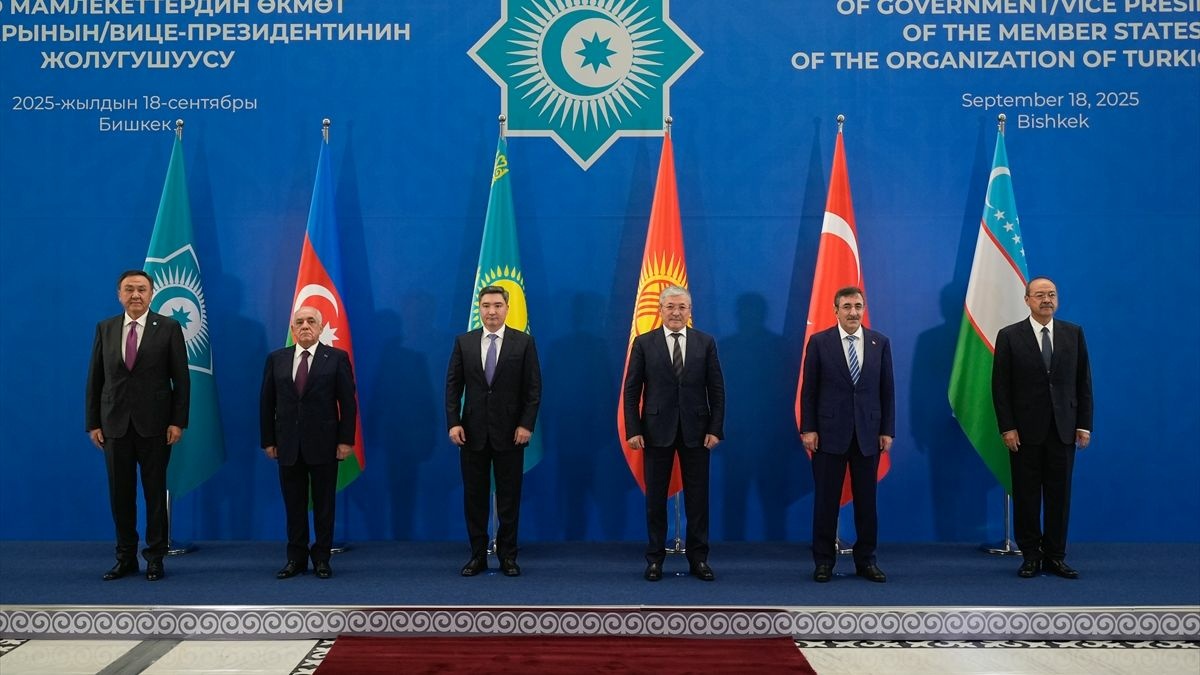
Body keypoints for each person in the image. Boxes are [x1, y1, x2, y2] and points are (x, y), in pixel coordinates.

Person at [86, 270, 190, 582]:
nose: (135, 295)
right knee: (120, 495)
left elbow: (181, 380)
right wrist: (93, 423)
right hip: (114, 425)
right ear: (119, 294)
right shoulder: (105, 328)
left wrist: (177, 421)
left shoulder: (169, 327)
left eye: (142, 289)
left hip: (156, 426)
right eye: (129, 289)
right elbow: (95, 379)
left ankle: (155, 558)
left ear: (151, 294)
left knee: (155, 495)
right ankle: (126, 558)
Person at [992, 276, 1093, 579]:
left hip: (1064, 430)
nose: (1046, 299)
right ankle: (1031, 556)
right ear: (1027, 300)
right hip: (1024, 432)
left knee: (1059, 497)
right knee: (1026, 496)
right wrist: (1007, 427)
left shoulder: (1073, 333)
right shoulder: (1009, 336)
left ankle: (1055, 556)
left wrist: (1084, 425)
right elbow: (1000, 387)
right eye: (1039, 295)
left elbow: (1083, 383)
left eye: (1051, 294)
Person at [623, 285, 725, 582]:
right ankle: (655, 559)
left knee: (698, 499)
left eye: (682, 307)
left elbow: (717, 390)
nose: (676, 312)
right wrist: (633, 429)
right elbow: (631, 392)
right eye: (670, 307)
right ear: (660, 310)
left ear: (690, 311)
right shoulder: (644, 343)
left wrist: (715, 429)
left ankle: (699, 559)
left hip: (698, 431)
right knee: (656, 499)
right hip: (655, 432)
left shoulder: (705, 342)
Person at [445, 285, 542, 577]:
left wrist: (526, 424)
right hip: (471, 433)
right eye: (486, 305)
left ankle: (508, 556)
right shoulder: (464, 342)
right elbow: (453, 387)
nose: (491, 311)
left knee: (509, 497)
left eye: (497, 305)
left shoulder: (523, 343)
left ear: (507, 308)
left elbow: (533, 389)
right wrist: (453, 422)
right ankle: (477, 556)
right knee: (474, 498)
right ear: (479, 308)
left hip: (511, 433)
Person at [800, 286, 894, 583]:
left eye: (858, 306)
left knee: (867, 503)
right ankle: (824, 562)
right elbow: (809, 390)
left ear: (863, 309)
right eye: (847, 307)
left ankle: (866, 561)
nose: (853, 312)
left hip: (868, 435)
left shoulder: (880, 342)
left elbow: (887, 390)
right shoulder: (819, 342)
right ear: (835, 310)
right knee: (826, 502)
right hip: (828, 435)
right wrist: (808, 428)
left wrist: (887, 430)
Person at [259, 306, 357, 580]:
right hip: (287, 444)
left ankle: (322, 558)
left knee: (324, 505)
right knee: (294, 505)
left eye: (311, 321)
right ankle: (296, 558)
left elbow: (348, 404)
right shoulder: (276, 359)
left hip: (325, 444)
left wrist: (345, 440)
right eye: (299, 322)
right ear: (292, 329)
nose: (305, 326)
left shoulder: (336, 358)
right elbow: (266, 402)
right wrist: (268, 440)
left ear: (320, 327)